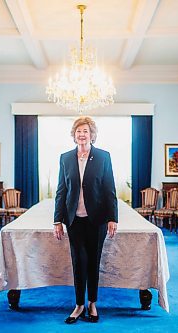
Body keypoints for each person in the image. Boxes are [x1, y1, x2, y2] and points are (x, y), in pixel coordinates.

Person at [53, 116, 118, 324]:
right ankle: (79, 304)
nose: (82, 134)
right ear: (74, 135)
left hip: (97, 219)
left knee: (93, 261)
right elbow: (61, 191)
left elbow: (110, 190)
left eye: (86, 131)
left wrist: (112, 218)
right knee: (78, 262)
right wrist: (57, 220)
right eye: (79, 131)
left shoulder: (103, 157)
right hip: (74, 220)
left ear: (92, 135)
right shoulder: (65, 158)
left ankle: (92, 303)